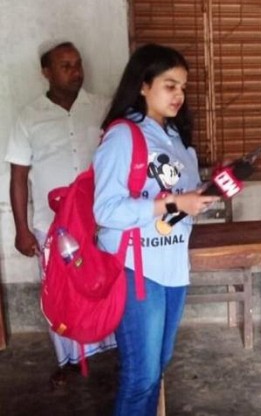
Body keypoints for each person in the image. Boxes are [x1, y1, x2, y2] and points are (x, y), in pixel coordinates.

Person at [92, 43, 219, 415]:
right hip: (135, 267)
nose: (179, 94)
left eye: (182, 87)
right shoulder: (123, 135)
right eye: (169, 85)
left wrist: (208, 189)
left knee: (156, 370)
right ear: (144, 85)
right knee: (140, 376)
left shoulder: (176, 138)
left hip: (172, 266)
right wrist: (175, 203)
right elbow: (106, 210)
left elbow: (184, 199)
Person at [4, 40, 116, 387]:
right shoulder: (29, 116)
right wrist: (21, 229)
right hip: (52, 228)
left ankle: (111, 347)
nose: (75, 71)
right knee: (60, 290)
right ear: (46, 72)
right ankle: (68, 359)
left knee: (105, 281)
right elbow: (19, 176)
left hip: (98, 220)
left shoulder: (101, 107)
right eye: (65, 65)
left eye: (78, 64)